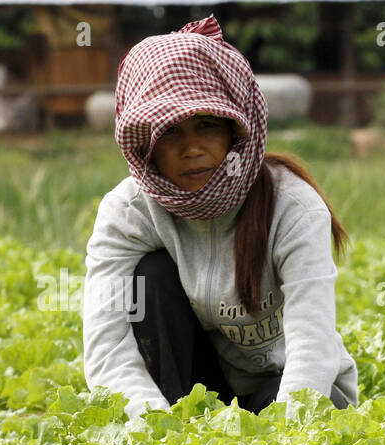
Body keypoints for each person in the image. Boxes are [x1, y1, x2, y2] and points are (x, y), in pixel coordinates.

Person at [82, 15, 358, 422]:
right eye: (170, 132)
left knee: (314, 412)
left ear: (236, 130)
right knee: (150, 277)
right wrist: (154, 428)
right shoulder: (129, 211)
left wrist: (283, 435)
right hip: (201, 390)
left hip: (286, 387)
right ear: (147, 145)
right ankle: (181, 422)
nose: (191, 148)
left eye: (207, 125)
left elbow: (312, 344)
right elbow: (107, 342)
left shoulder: (293, 207)